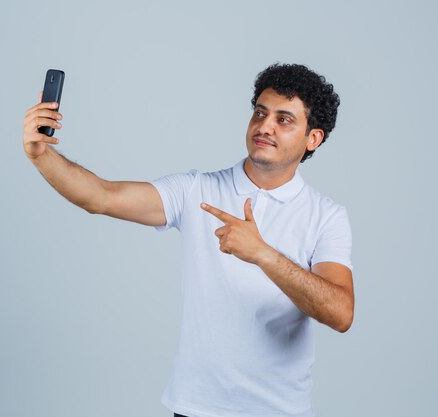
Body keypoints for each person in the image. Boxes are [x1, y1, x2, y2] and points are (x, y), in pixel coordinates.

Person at [22, 63, 354, 417]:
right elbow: (100, 197)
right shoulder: (197, 189)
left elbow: (340, 313)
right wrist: (41, 155)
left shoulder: (326, 215)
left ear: (312, 138)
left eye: (283, 119)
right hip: (196, 408)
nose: (265, 126)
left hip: (281, 411)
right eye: (260, 112)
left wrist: (263, 254)